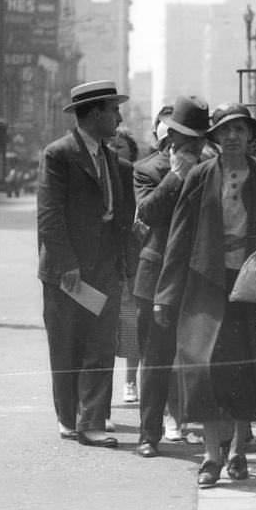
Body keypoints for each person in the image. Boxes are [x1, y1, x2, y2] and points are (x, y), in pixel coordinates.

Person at [156, 103, 256, 488]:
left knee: (245, 366)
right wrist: (166, 293)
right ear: (215, 136)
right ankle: (212, 454)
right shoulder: (198, 176)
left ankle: (238, 451)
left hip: (251, 286)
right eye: (225, 130)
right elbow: (179, 236)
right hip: (205, 283)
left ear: (250, 136)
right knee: (204, 366)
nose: (232, 137)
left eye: (240, 130)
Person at [37, 80, 134, 448]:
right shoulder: (58, 154)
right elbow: (50, 215)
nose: (119, 117)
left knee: (100, 344)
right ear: (94, 113)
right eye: (114, 110)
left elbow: (120, 216)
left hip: (103, 268)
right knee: (66, 344)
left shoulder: (112, 158)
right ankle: (68, 417)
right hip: (68, 272)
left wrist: (122, 262)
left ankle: (91, 420)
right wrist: (67, 264)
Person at [132, 96, 210, 457]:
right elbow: (147, 213)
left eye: (197, 139)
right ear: (172, 136)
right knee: (156, 357)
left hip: (200, 274)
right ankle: (149, 434)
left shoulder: (213, 166)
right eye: (184, 138)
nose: (190, 146)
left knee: (203, 353)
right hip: (158, 274)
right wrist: (177, 176)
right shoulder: (148, 169)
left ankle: (205, 428)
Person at [111, 126, 142, 404]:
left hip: (133, 260)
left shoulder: (139, 177)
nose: (113, 151)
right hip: (109, 262)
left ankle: (130, 381)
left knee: (132, 323)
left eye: (119, 148)